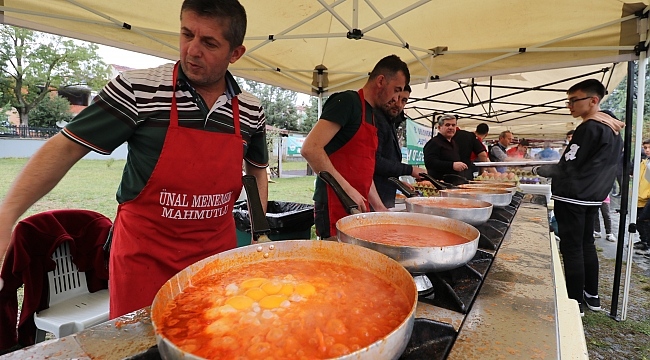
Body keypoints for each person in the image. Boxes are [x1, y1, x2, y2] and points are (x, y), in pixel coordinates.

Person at [0, 0, 269, 319]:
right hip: (145, 258)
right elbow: (65, 148)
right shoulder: (138, 90)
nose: (192, 50)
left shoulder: (251, 109)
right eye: (186, 34)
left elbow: (255, 171)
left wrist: (259, 229)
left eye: (209, 42)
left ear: (235, 53)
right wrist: (7, 214)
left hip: (214, 256)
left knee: (212, 338)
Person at [533, 79, 624, 315]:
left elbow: (568, 165)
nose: (570, 106)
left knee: (572, 248)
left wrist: (539, 170)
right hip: (593, 196)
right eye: (569, 101)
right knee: (586, 245)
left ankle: (574, 302)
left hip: (574, 196)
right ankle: (592, 296)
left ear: (593, 101)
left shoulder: (590, 127)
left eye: (575, 100)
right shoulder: (612, 128)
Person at [301, 55, 409, 238]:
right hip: (332, 203)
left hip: (357, 206)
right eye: (396, 90)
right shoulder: (347, 102)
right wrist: (348, 189)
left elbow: (364, 171)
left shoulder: (373, 115)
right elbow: (310, 148)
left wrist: (379, 207)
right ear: (381, 81)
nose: (396, 98)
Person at [373, 84, 426, 208]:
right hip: (374, 199)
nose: (398, 104)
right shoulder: (376, 119)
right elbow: (375, 162)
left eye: (404, 100)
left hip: (383, 196)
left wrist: (397, 182)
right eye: (395, 97)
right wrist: (410, 170)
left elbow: (385, 163)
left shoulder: (389, 122)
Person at [423, 114, 467, 180]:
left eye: (453, 125)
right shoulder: (434, 142)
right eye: (447, 125)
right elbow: (430, 162)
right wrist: (452, 165)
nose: (451, 127)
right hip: (439, 184)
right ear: (439, 127)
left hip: (454, 184)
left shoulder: (453, 143)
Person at [634, 139, 650, 255]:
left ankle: (648, 245)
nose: (647, 150)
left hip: (647, 198)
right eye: (645, 148)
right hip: (639, 198)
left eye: (649, 148)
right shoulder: (644, 163)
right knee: (639, 221)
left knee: (645, 221)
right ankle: (644, 241)